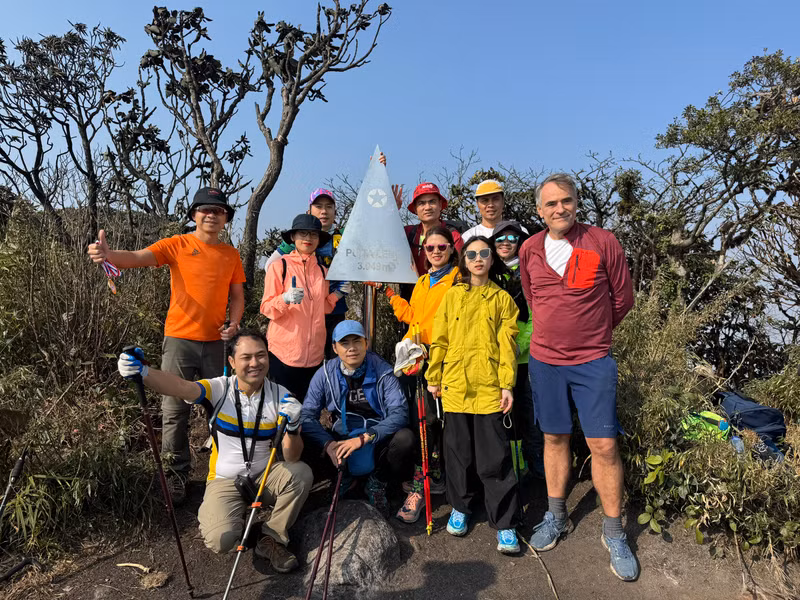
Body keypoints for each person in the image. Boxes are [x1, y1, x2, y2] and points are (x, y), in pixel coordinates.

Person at [87, 187, 245, 504]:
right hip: (179, 340)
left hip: (216, 343)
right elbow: (137, 258)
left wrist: (235, 323)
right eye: (205, 209)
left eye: (218, 210)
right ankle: (175, 477)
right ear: (194, 215)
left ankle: (228, 474)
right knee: (174, 412)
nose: (212, 215)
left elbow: (238, 296)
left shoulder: (231, 255)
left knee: (223, 410)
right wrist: (108, 255)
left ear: (226, 217)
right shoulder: (178, 244)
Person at [518, 173, 637, 581]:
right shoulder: (530, 248)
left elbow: (623, 300)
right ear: (539, 210)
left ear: (576, 203)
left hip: (593, 362)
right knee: (554, 438)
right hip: (545, 362)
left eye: (565, 201)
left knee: (603, 445)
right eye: (550, 204)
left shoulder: (603, 241)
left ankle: (615, 531)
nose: (559, 209)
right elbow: (534, 299)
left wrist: (593, 336)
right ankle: (557, 516)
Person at [116, 330, 311, 573]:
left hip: (264, 476)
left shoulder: (281, 396)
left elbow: (292, 457)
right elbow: (180, 387)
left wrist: (292, 427)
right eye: (246, 357)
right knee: (221, 540)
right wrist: (143, 373)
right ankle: (218, 511)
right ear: (231, 361)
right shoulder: (219, 389)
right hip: (224, 479)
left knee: (301, 474)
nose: (255, 363)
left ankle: (271, 538)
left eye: (261, 356)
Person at [426, 236, 521, 554]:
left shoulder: (503, 299)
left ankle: (505, 523)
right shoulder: (452, 296)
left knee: (494, 458)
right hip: (454, 386)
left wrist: (507, 384)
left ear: (492, 259)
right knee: (457, 454)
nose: (478, 258)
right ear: (463, 260)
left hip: (488, 389)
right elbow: (439, 338)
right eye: (471, 254)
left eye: (484, 253)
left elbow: (509, 346)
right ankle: (461, 507)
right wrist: (434, 375)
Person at [366, 225, 458, 523]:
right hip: (415, 361)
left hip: (442, 360)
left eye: (441, 247)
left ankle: (424, 486)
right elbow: (412, 317)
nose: (434, 253)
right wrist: (389, 292)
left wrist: (438, 352)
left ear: (451, 249)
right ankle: (426, 478)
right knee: (420, 421)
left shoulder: (458, 280)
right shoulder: (422, 281)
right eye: (429, 249)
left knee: (432, 423)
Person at [301, 320, 413, 515]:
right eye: (344, 343)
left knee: (405, 438)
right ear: (335, 348)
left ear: (366, 344)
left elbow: (400, 413)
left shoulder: (383, 371)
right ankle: (343, 478)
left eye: (357, 341)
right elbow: (306, 415)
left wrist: (366, 437)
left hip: (376, 437)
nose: (351, 348)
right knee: (299, 435)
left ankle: (377, 482)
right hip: (341, 438)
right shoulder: (325, 374)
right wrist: (328, 445)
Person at [260, 214, 349, 401]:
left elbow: (322, 308)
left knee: (307, 412)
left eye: (313, 235)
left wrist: (337, 295)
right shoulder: (279, 266)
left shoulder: (322, 271)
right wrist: (284, 298)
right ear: (293, 237)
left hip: (314, 357)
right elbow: (266, 308)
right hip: (283, 356)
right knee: (282, 412)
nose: (308, 239)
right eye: (302, 233)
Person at [264, 188, 349, 358]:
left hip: (335, 309)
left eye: (329, 207)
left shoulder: (345, 235)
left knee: (335, 361)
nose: (324, 211)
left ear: (335, 212)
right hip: (300, 312)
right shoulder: (297, 238)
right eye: (318, 206)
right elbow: (270, 265)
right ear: (309, 210)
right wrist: (288, 292)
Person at [491, 221, 544, 479]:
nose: (506, 242)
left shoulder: (531, 271)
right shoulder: (487, 273)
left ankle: (538, 468)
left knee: (530, 414)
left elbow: (538, 315)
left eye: (512, 237)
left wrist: (518, 346)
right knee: (503, 415)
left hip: (525, 358)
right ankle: (514, 464)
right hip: (497, 361)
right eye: (500, 238)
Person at [403, 182, 464, 282]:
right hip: (410, 296)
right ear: (415, 208)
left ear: (440, 205)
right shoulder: (407, 233)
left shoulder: (453, 236)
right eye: (421, 203)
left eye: (432, 202)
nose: (427, 207)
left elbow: (460, 272)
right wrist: (391, 210)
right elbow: (384, 238)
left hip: (445, 294)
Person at [462, 179, 528, 243]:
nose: (490, 205)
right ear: (477, 204)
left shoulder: (520, 232)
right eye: (485, 200)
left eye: (495, 199)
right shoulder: (467, 237)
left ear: (503, 201)